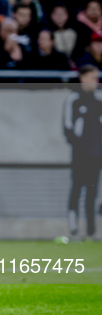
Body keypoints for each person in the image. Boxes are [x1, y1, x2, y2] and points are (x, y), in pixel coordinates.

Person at [64, 64, 102, 239]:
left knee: (92, 193)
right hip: (80, 157)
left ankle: (91, 231)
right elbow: (68, 128)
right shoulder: (73, 99)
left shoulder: (98, 101)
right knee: (77, 190)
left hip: (96, 157)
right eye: (94, 78)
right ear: (83, 78)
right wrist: (80, 148)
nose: (97, 82)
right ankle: (73, 230)